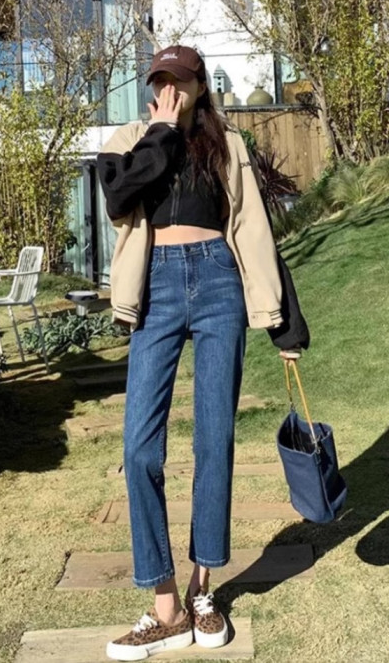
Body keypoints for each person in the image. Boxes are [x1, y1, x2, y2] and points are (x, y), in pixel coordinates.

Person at [97, 45, 307, 662]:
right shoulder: (130, 139)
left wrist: (285, 325)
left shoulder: (227, 144)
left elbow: (253, 230)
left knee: (215, 441)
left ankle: (203, 589)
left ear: (199, 86)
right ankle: (163, 605)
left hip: (219, 281)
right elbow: (118, 198)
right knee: (140, 448)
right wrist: (162, 132)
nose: (168, 88)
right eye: (159, 79)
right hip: (156, 286)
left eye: (179, 79)